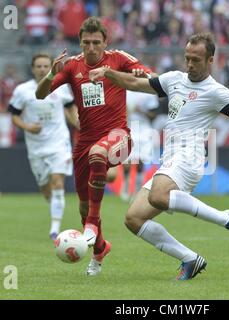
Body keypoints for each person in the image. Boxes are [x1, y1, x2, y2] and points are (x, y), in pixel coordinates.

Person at [89, 33, 229, 280]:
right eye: (187, 58)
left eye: (196, 60)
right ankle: (190, 259)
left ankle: (226, 219)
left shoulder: (216, 92)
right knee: (133, 219)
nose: (190, 64)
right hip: (170, 158)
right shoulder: (174, 80)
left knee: (159, 196)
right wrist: (108, 73)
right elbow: (136, 84)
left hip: (189, 156)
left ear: (210, 60)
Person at [35, 17, 153, 276]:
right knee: (84, 206)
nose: (91, 48)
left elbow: (148, 75)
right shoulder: (72, 67)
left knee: (98, 155)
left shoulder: (118, 58)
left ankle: (90, 226)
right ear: (79, 42)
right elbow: (40, 94)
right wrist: (52, 74)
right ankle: (99, 249)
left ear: (105, 42)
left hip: (119, 137)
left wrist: (137, 73)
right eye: (86, 42)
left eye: (96, 42)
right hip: (85, 143)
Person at [8, 53, 79, 240]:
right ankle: (54, 207)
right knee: (46, 189)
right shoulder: (22, 90)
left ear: (51, 67)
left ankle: (54, 229)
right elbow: (14, 115)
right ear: (32, 69)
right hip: (36, 148)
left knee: (58, 182)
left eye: (45, 66)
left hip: (59, 143)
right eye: (38, 66)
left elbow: (71, 108)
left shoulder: (61, 88)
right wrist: (27, 127)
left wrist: (79, 124)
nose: (42, 69)